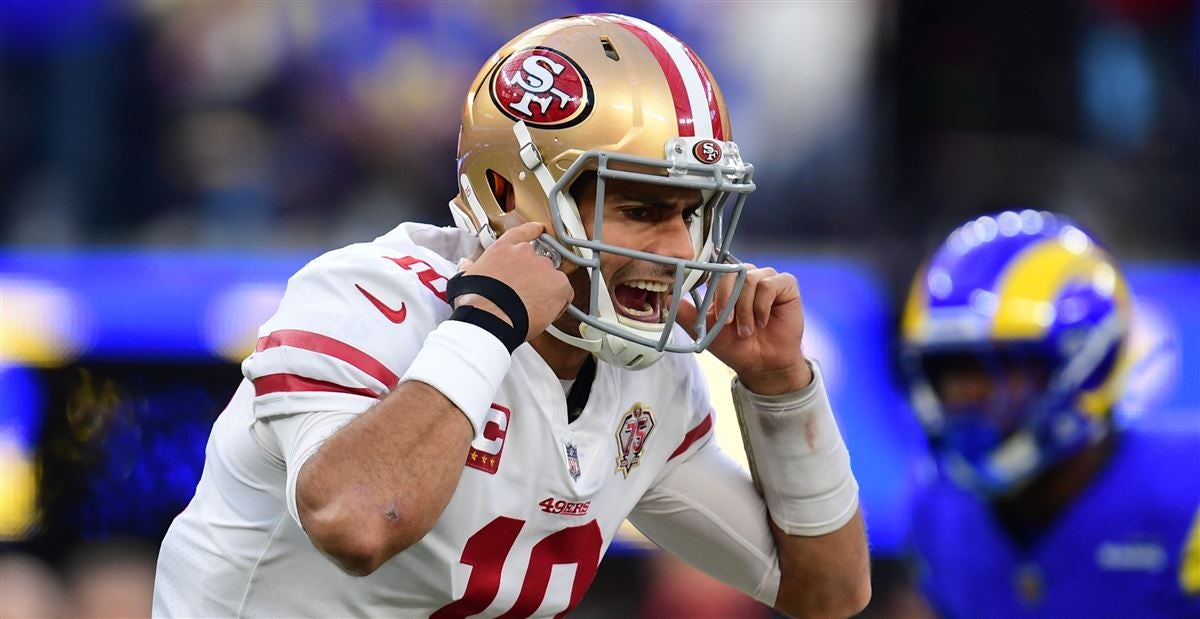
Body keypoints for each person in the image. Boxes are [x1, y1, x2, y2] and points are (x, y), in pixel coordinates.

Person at [153, 13, 870, 618]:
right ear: (510, 193)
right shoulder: (369, 297)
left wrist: (783, 388)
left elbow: (830, 593)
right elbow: (356, 520)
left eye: (690, 212)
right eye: (641, 209)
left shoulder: (643, 375)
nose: (680, 248)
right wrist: (485, 328)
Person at [899, 210, 1200, 618]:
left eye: (1003, 367)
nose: (967, 396)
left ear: (1090, 367)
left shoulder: (1187, 493)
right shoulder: (940, 503)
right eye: (951, 371)